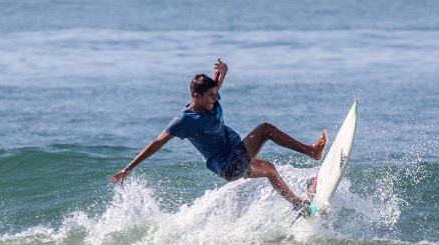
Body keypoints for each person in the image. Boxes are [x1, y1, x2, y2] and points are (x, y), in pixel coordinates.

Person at [110, 58, 327, 212]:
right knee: (265, 129)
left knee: (269, 168)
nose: (216, 98)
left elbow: (216, 85)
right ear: (197, 96)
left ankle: (298, 205)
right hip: (228, 165)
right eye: (211, 96)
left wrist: (223, 71)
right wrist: (128, 168)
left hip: (235, 158)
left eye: (216, 94)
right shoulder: (184, 120)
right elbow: (157, 142)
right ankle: (312, 151)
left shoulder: (208, 102)